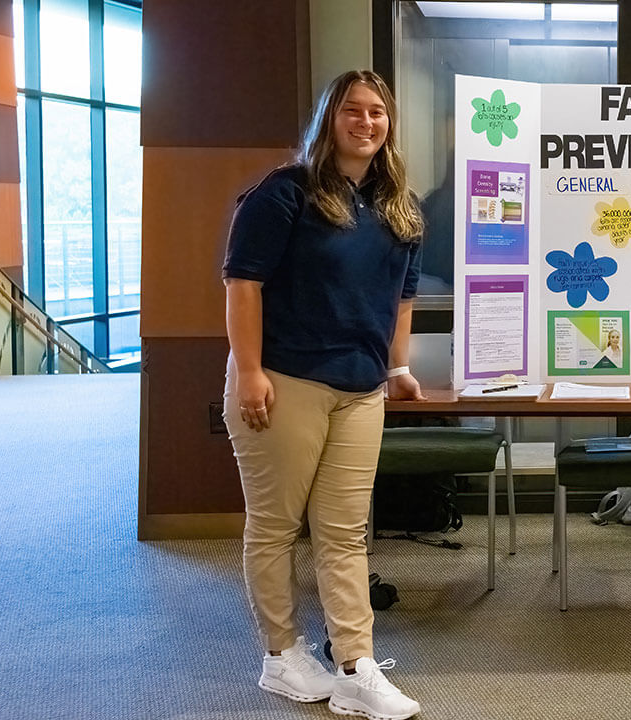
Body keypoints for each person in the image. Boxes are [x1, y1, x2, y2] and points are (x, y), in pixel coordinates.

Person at [222, 69, 426, 719]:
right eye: (353, 111)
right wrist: (250, 370)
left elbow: (402, 299)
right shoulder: (287, 192)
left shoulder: (399, 206)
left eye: (377, 113)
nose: (366, 123)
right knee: (277, 526)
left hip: (361, 391)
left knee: (344, 533)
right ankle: (282, 657)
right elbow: (243, 284)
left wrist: (397, 368)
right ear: (329, 119)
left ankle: (357, 664)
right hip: (285, 381)